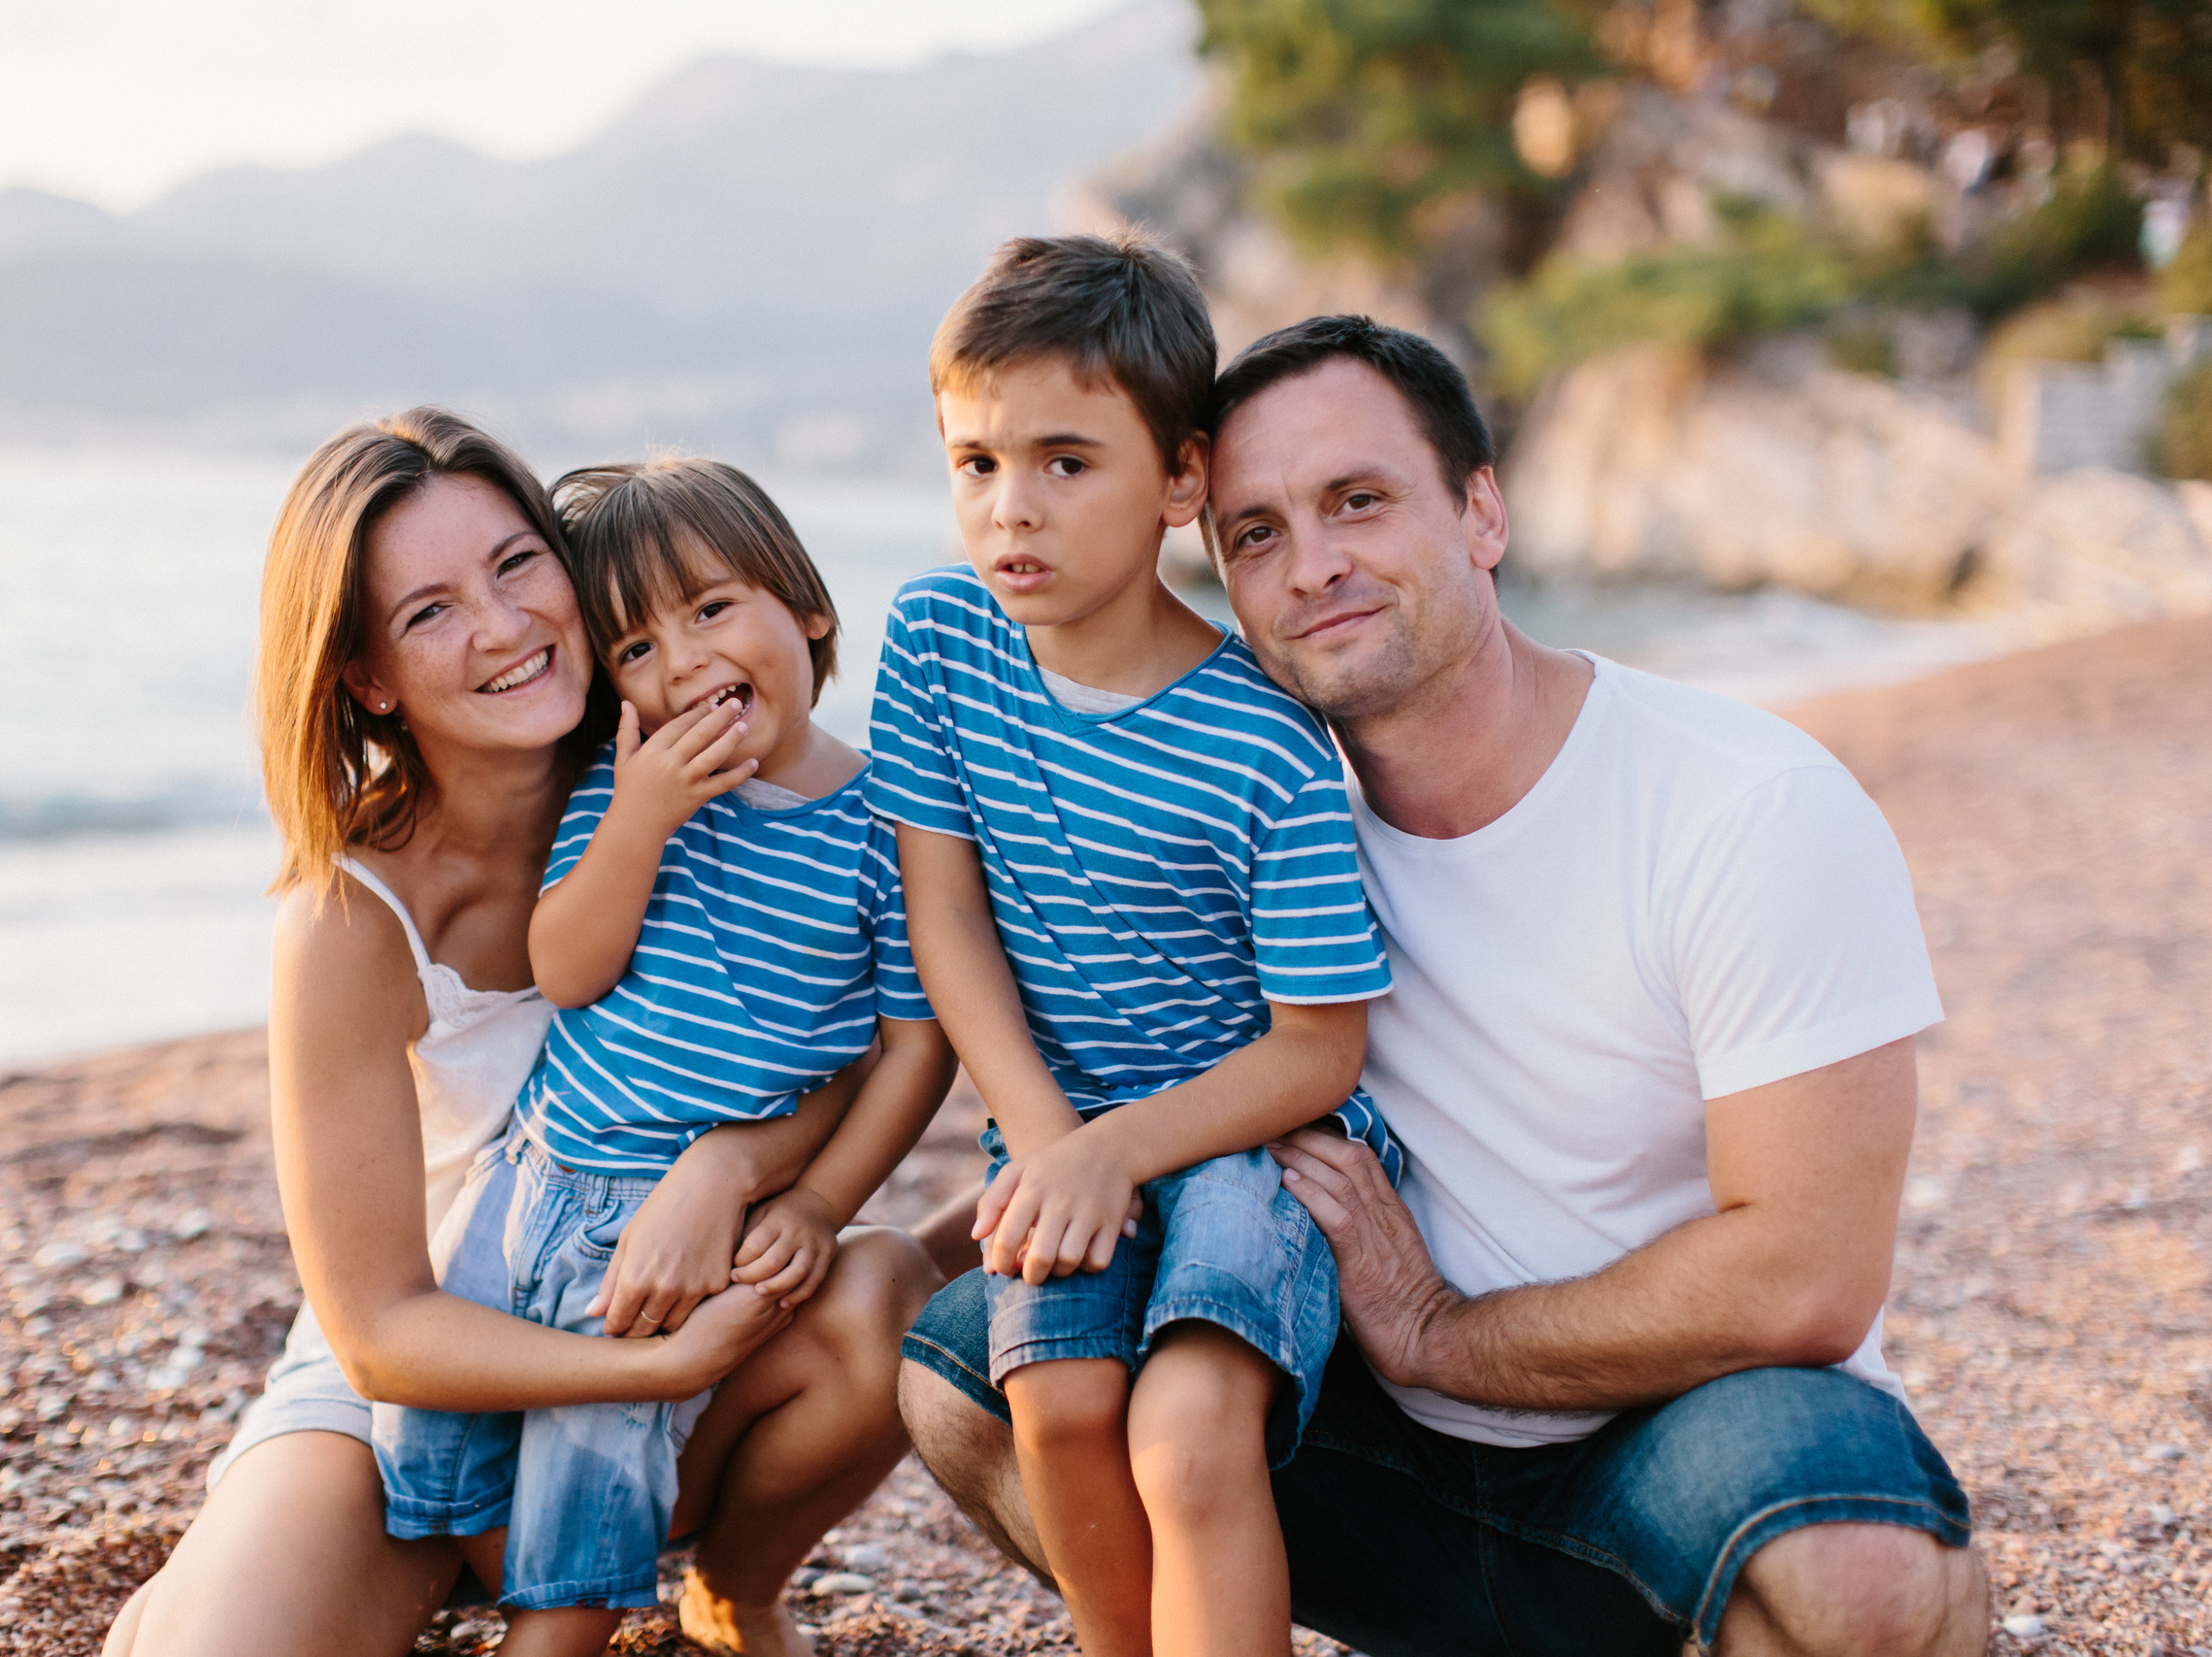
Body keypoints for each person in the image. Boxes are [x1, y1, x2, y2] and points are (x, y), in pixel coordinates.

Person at [897, 315, 1991, 1656]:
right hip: (1372, 1447)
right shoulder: (1261, 810)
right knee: (968, 1368)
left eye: (1358, 501)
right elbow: (1167, 1071)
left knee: (1864, 1575)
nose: (1314, 567)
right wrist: (948, 1225)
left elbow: (1804, 1276)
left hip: (1674, 1425)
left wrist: (1438, 1330)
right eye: (1256, 533)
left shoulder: (1743, 804)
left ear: (1483, 508)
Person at [105, 411, 940, 1657]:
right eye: (430, 611)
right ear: (367, 677)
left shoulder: (710, 787)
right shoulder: (350, 916)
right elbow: (379, 1329)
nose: (501, 627)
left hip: (662, 1313)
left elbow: (852, 1039)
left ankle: (727, 1587)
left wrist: (735, 1167)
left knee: (885, 1294)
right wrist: (641, 1371)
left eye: (514, 565)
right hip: (426, 1371)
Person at [867, 236, 1400, 1657]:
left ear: (1179, 479)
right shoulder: (935, 640)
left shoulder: (1266, 744)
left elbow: (1320, 1044)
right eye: (975, 463)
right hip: (1058, 1128)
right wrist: (1050, 1139)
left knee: (1184, 1422)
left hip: (1257, 1139)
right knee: (1055, 1394)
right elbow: (945, 916)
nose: (1010, 510)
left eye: (1064, 461)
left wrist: (1115, 1151)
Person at [367, 458, 957, 1657]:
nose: (682, 664)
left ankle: (607, 1615)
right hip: (526, 1187)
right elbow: (569, 966)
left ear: (807, 607)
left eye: (711, 609)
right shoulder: (621, 792)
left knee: (586, 1518)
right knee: (430, 1489)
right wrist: (639, 819)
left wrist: (818, 1200)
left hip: (663, 1238)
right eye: (634, 646)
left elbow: (914, 1049)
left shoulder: (888, 823)